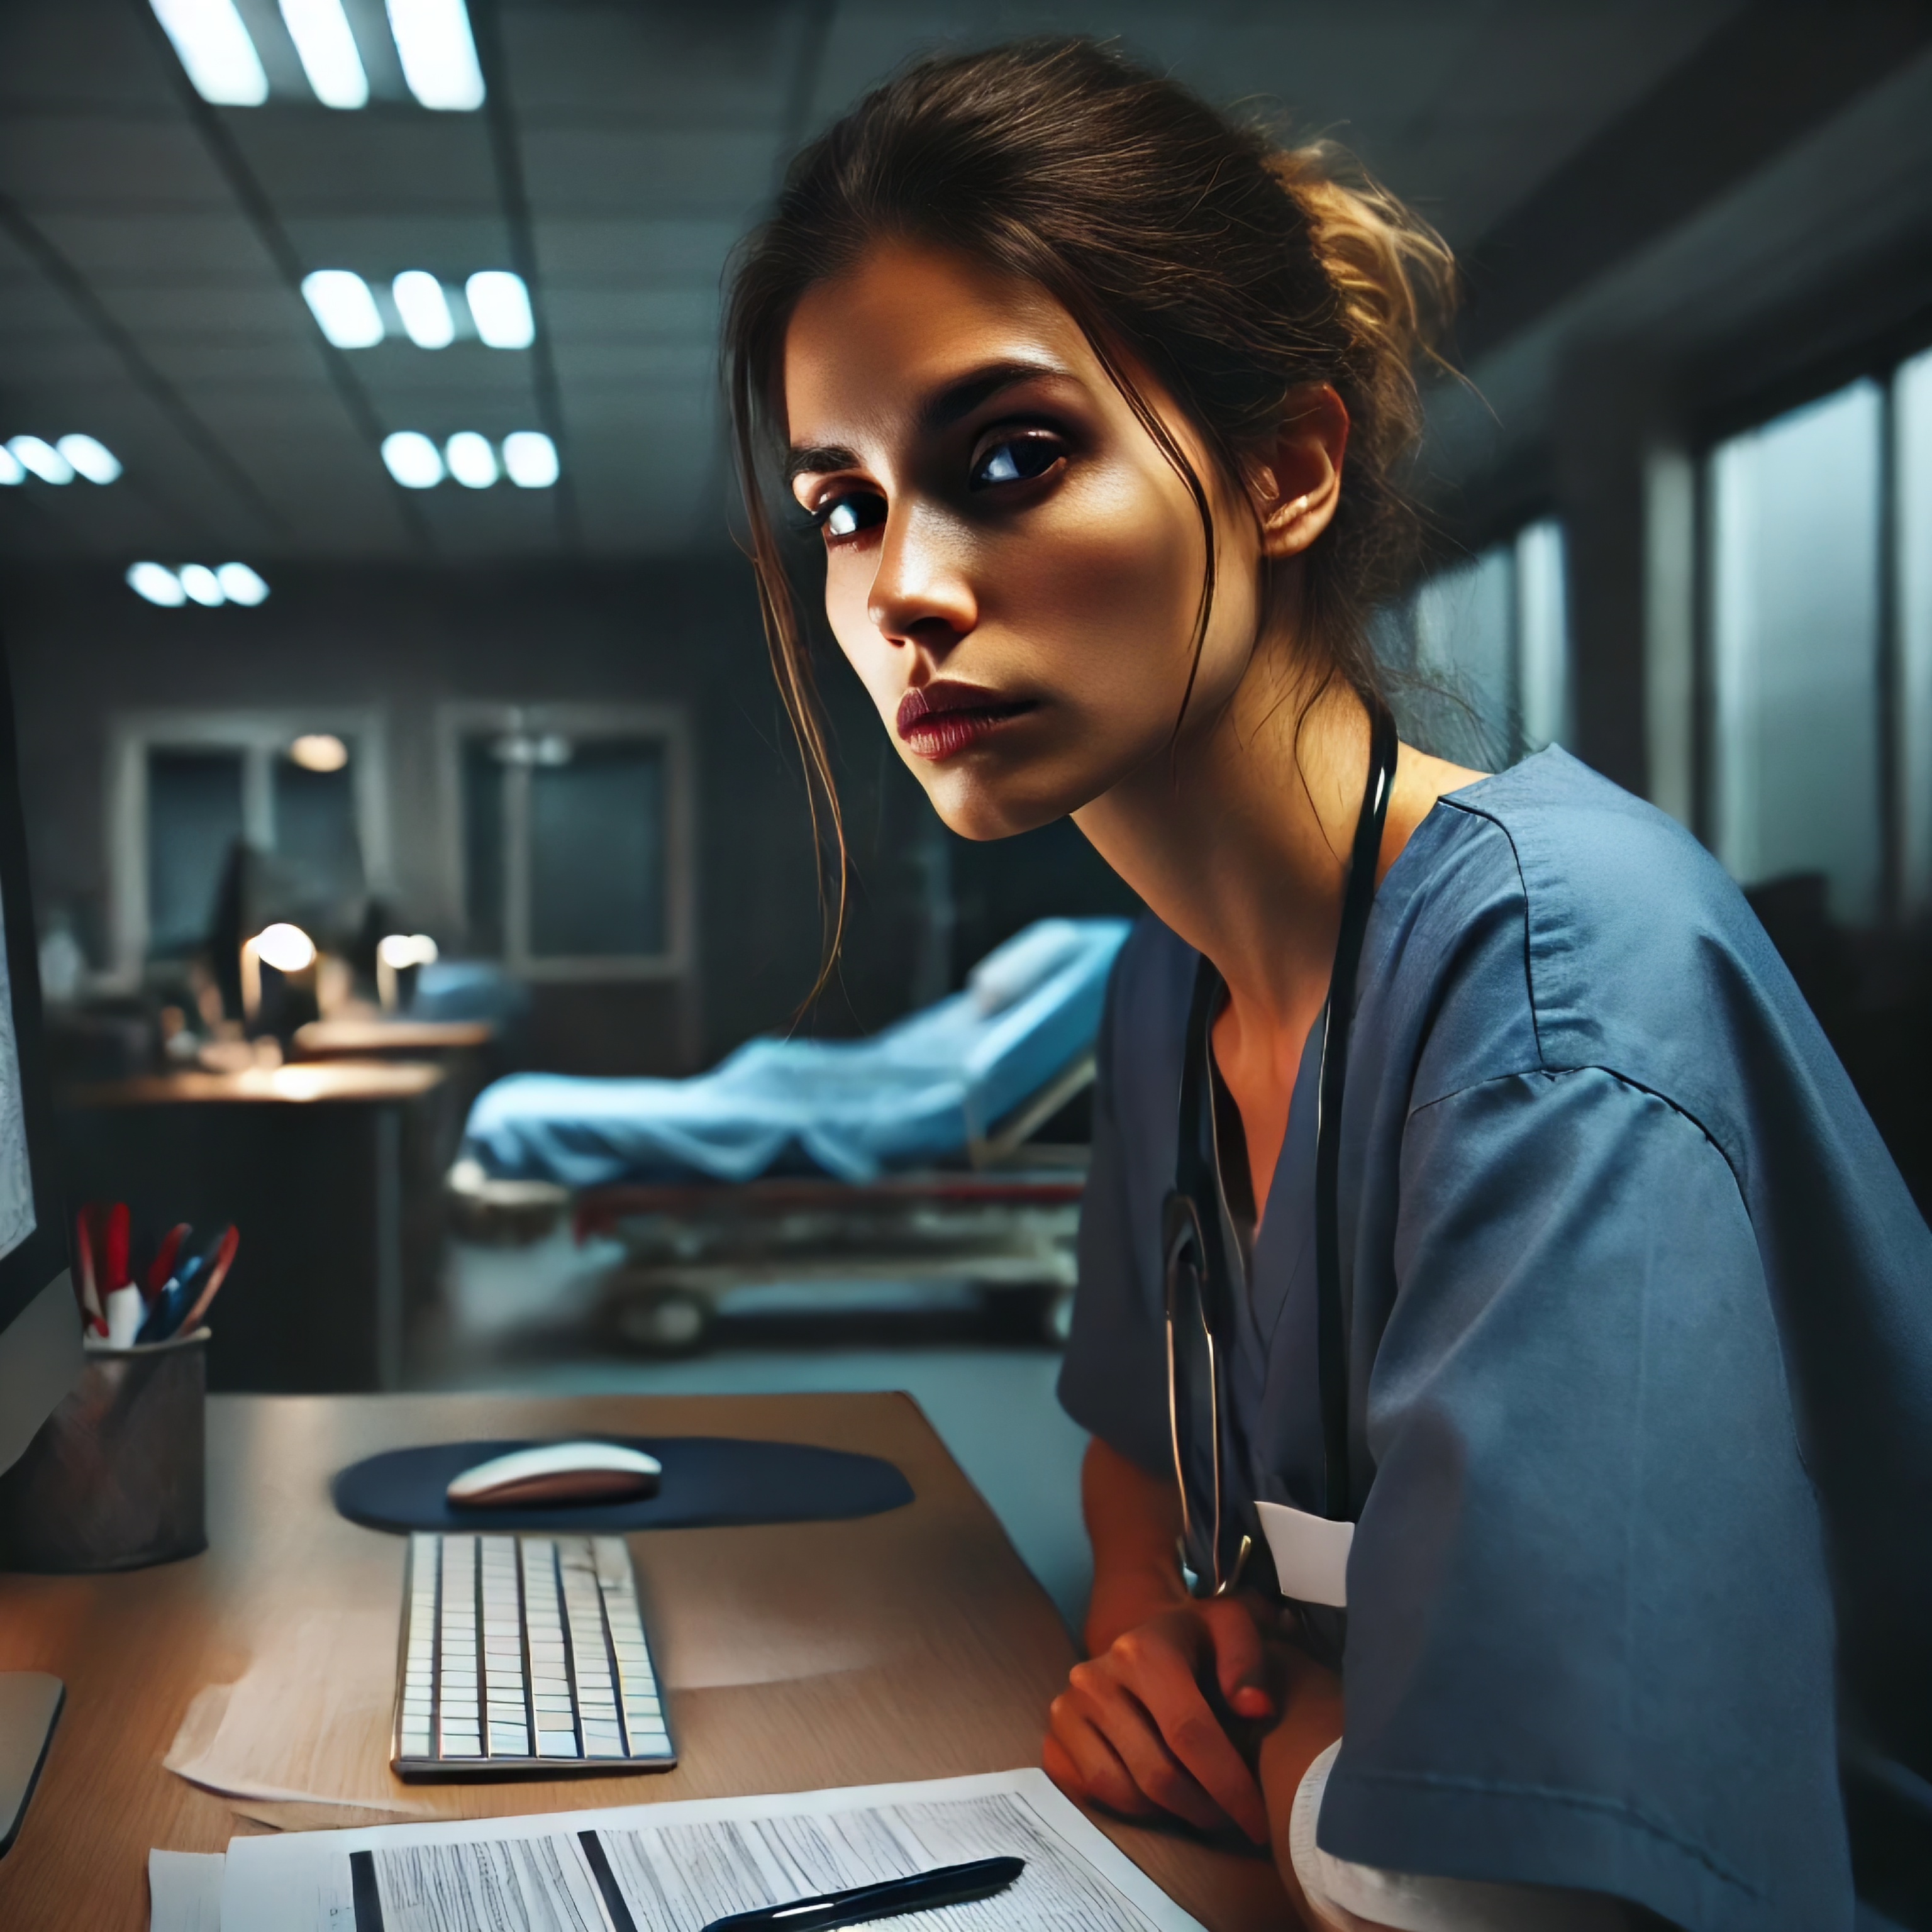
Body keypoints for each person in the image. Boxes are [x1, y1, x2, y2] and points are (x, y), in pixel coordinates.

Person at [723, 38, 1932, 1931]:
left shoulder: (1553, 990)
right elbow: (1139, 1455)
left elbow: (1492, 1895)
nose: (903, 591)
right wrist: (1164, 1650)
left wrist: (1288, 1737)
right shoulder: (1164, 992)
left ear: (1284, 469)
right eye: (846, 506)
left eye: (1011, 456)